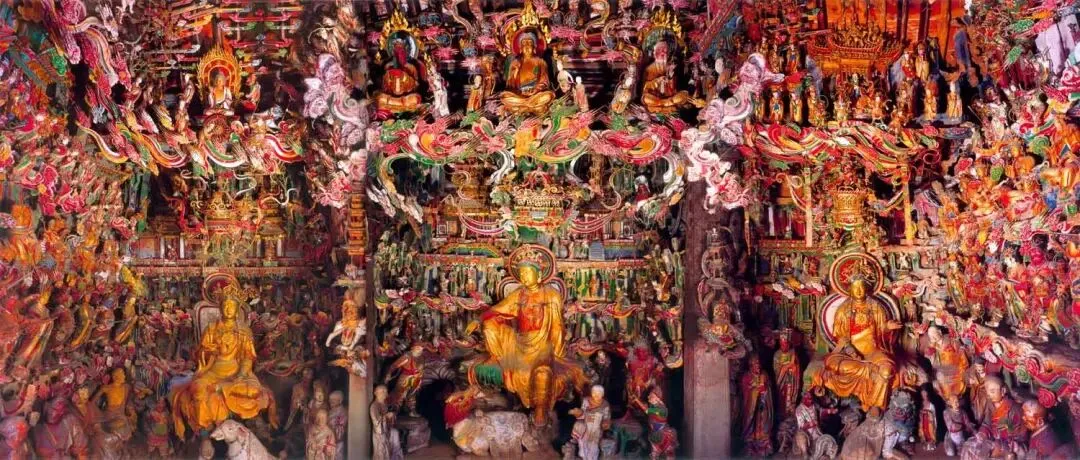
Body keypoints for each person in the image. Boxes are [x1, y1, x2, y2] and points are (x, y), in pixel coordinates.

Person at [571, 385, 611, 460]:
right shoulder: (586, 400)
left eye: (599, 393)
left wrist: (605, 423)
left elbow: (606, 417)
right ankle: (583, 457)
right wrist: (578, 412)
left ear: (602, 394)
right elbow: (582, 412)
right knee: (583, 444)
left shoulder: (605, 404)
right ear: (591, 393)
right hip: (586, 425)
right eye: (594, 393)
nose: (596, 395)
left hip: (597, 427)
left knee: (593, 446)